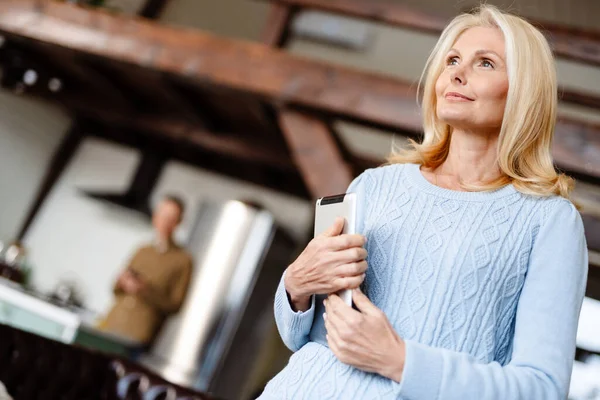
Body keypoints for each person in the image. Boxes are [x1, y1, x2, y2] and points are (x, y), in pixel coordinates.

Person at [258, 5, 588, 400]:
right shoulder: (374, 185)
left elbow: (541, 389)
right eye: (452, 59)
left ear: (524, 90)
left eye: (485, 63)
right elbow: (310, 337)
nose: (457, 73)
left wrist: (400, 360)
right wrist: (296, 287)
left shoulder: (549, 222)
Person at [101, 195, 193, 346]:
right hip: (111, 323)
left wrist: (144, 290)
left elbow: (175, 305)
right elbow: (115, 289)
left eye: (170, 218)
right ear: (155, 217)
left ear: (178, 222)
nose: (164, 222)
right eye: (162, 215)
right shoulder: (142, 250)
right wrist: (123, 281)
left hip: (139, 334)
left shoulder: (183, 260)